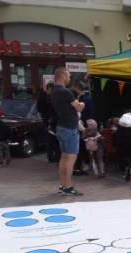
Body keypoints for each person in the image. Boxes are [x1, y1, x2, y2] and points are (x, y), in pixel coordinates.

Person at [50, 67, 85, 196]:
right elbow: (79, 108)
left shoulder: (53, 91)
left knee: (63, 157)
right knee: (71, 158)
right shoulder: (66, 92)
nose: (70, 78)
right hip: (70, 128)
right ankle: (68, 187)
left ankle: (62, 185)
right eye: (69, 76)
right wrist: (82, 103)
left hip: (60, 127)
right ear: (63, 76)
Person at [72, 82, 94, 176]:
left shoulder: (86, 99)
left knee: (83, 146)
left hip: (84, 126)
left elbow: (90, 113)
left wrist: (87, 127)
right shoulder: (78, 99)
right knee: (80, 147)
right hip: (80, 127)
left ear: (77, 88)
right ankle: (79, 165)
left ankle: (85, 163)